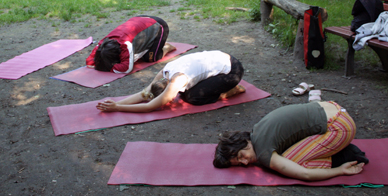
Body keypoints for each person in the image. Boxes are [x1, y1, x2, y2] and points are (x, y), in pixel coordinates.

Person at [213, 102, 368, 181]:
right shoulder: (257, 129)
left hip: (339, 127)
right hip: (334, 108)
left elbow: (306, 174)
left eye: (241, 156)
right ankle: (335, 148)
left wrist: (339, 170)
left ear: (244, 143)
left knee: (290, 163)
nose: (245, 163)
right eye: (240, 164)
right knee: (287, 155)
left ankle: (345, 155)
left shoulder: (263, 153)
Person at [96, 50, 246, 113]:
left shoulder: (177, 81)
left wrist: (117, 108)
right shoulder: (164, 73)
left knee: (193, 98)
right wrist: (118, 103)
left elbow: (148, 107)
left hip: (232, 70)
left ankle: (232, 90)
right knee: (188, 94)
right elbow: (144, 95)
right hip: (220, 57)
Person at [86, 15, 175, 73]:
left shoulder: (125, 46)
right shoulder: (102, 43)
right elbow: (89, 62)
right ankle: (155, 45)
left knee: (151, 58)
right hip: (139, 20)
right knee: (143, 56)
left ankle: (166, 46)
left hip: (157, 24)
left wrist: (107, 67)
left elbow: (126, 68)